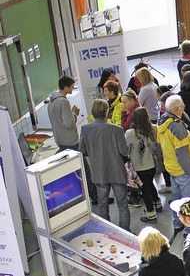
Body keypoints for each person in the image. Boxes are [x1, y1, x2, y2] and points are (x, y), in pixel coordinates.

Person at [79, 99, 130, 231]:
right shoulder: (116, 130)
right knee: (122, 204)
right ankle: (125, 231)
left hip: (99, 171)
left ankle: (106, 231)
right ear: (107, 111)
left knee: (102, 204)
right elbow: (124, 151)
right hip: (117, 171)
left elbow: (82, 151)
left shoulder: (85, 129)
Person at [158, 95, 190, 234]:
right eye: (182, 107)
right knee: (189, 201)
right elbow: (182, 153)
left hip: (172, 168)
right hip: (184, 170)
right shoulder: (177, 127)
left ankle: (177, 223)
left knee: (176, 198)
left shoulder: (163, 123)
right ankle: (189, 229)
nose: (184, 109)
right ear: (177, 109)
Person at [125, 108, 162, 222]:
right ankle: (157, 202)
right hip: (152, 163)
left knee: (144, 188)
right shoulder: (154, 128)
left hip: (139, 166)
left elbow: (126, 149)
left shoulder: (131, 133)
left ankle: (151, 213)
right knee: (149, 183)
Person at [49, 75, 81, 150]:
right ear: (66, 88)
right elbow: (69, 124)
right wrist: (74, 113)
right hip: (69, 141)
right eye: (72, 87)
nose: (73, 89)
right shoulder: (64, 102)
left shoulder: (52, 101)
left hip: (59, 139)